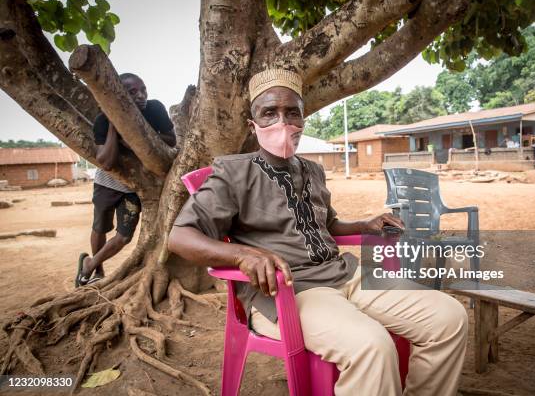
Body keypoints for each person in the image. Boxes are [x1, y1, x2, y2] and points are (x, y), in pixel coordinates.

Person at [168, 69, 467, 396]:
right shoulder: (233, 172)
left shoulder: (312, 171)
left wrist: (363, 226)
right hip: (289, 292)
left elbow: (326, 225)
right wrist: (241, 255)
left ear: (303, 120)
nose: (282, 122)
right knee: (373, 346)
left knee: (449, 318)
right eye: (269, 113)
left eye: (291, 112)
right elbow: (180, 236)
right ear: (252, 125)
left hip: (345, 275)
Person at [75, 73, 176, 287]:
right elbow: (106, 161)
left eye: (143, 90)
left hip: (136, 187)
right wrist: (114, 123)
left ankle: (89, 264)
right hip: (107, 183)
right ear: (120, 94)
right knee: (100, 228)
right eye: (133, 92)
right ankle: (98, 273)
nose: (141, 96)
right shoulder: (103, 120)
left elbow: (171, 139)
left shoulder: (155, 109)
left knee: (124, 236)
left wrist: (137, 140)